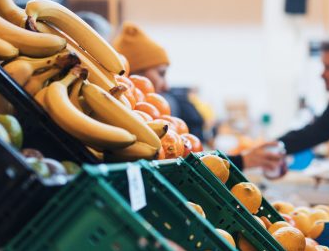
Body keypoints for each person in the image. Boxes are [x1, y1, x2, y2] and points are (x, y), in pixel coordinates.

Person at [112, 22, 281, 170]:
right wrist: (242, 160)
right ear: (133, 74)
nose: (166, 85)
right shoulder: (125, 123)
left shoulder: (157, 116)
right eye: (161, 73)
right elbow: (186, 166)